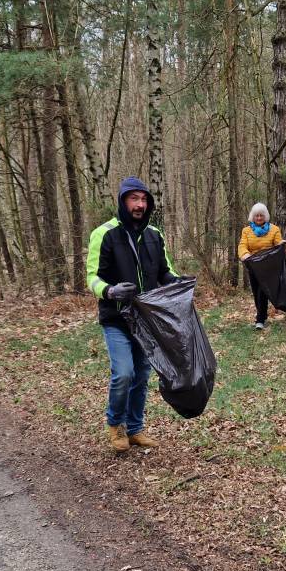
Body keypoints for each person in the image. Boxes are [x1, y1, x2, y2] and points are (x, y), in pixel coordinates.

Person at [86, 177, 179, 453]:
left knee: (141, 375)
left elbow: (165, 271)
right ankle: (116, 424)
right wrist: (110, 290)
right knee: (124, 373)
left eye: (144, 199)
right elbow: (92, 277)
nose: (140, 205)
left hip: (145, 319)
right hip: (116, 318)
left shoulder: (154, 235)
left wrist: (177, 282)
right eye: (134, 199)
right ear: (123, 201)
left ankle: (136, 428)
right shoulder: (104, 234)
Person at [237, 202, 286, 329]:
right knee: (256, 291)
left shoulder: (274, 229)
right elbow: (242, 245)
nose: (259, 218)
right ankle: (262, 316)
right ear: (253, 217)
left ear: (266, 216)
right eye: (257, 215)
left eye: (261, 215)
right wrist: (245, 255)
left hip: (268, 267)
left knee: (262, 292)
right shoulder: (246, 231)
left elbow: (278, 245)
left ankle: (260, 319)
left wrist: (282, 245)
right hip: (253, 266)